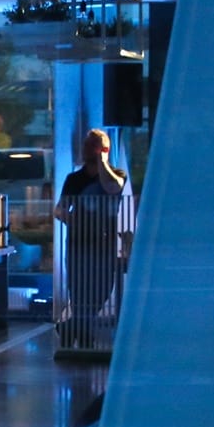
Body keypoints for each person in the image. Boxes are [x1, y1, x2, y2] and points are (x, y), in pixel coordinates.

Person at [54, 128, 133, 347]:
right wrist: (73, 220)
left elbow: (112, 188)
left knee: (102, 289)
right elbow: (60, 209)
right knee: (79, 292)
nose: (85, 149)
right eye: (85, 145)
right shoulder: (73, 179)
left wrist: (102, 162)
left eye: (91, 145)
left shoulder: (117, 175)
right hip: (78, 243)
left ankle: (70, 327)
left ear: (103, 149)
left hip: (104, 244)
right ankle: (84, 337)